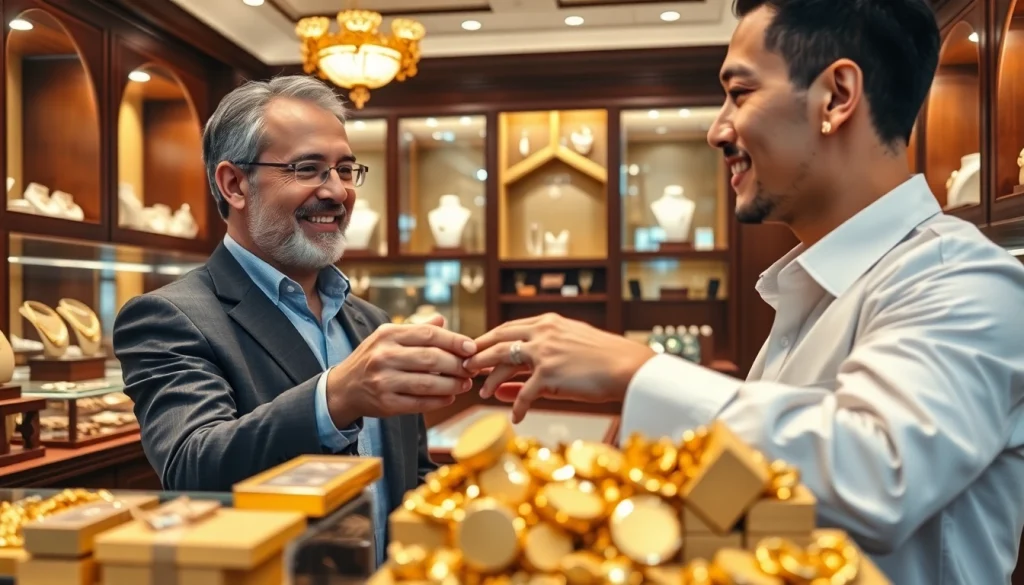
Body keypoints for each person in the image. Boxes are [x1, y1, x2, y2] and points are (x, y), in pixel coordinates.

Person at [464, 1, 1024, 583]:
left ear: (836, 96)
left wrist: (637, 373)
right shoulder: (812, 288)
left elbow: (878, 473)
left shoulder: (959, 277)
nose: (717, 129)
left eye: (739, 93)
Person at [113, 76, 478, 564]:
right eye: (308, 168)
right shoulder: (169, 316)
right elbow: (191, 468)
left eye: (346, 169)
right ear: (234, 184)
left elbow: (408, 478)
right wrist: (334, 397)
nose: (336, 192)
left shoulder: (372, 322)